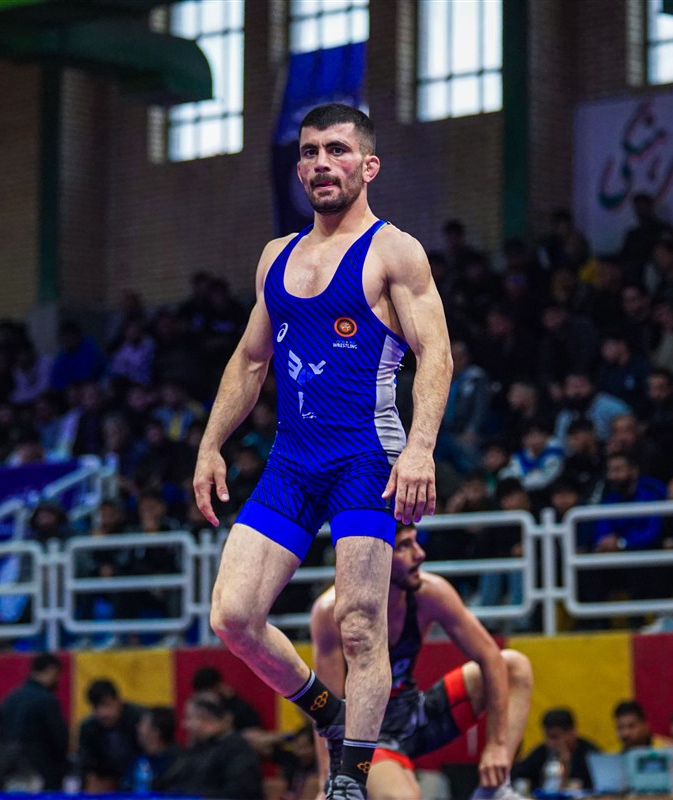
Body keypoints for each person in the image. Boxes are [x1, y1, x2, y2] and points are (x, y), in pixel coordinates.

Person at [195, 104, 453, 800]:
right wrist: (211, 444)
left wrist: (420, 448)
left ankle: (348, 779)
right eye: (309, 152)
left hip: (366, 456)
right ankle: (330, 713)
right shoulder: (276, 257)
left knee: (361, 625)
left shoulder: (393, 251)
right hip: (292, 459)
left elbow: (436, 353)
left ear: (368, 166)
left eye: (336, 150)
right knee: (233, 616)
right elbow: (250, 361)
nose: (319, 164)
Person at [311, 524, 533, 800]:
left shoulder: (430, 593)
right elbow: (326, 707)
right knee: (402, 798)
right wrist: (328, 782)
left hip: (414, 717)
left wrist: (497, 747)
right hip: (364, 734)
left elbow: (490, 657)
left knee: (514, 666)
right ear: (373, 557)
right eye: (405, 546)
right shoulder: (331, 612)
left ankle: (494, 790)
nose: (420, 554)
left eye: (415, 542)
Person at [153, 695, 263, 799]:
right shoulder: (197, 749)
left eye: (189, 718)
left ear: (205, 717)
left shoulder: (237, 749)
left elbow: (238, 793)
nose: (185, 725)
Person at [0, 654, 69, 791]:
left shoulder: (10, 698)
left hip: (8, 769)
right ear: (51, 670)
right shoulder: (47, 700)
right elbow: (60, 739)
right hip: (43, 770)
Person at [77, 678, 145, 793]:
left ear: (119, 701)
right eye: (96, 708)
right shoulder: (88, 728)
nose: (103, 713)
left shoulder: (140, 719)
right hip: (106, 785)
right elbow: (84, 763)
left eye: (107, 705)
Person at [511, 708, 601, 790]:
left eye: (555, 737)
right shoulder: (542, 752)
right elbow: (517, 773)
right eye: (547, 737)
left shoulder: (590, 755)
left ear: (572, 733)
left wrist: (566, 765)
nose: (549, 743)